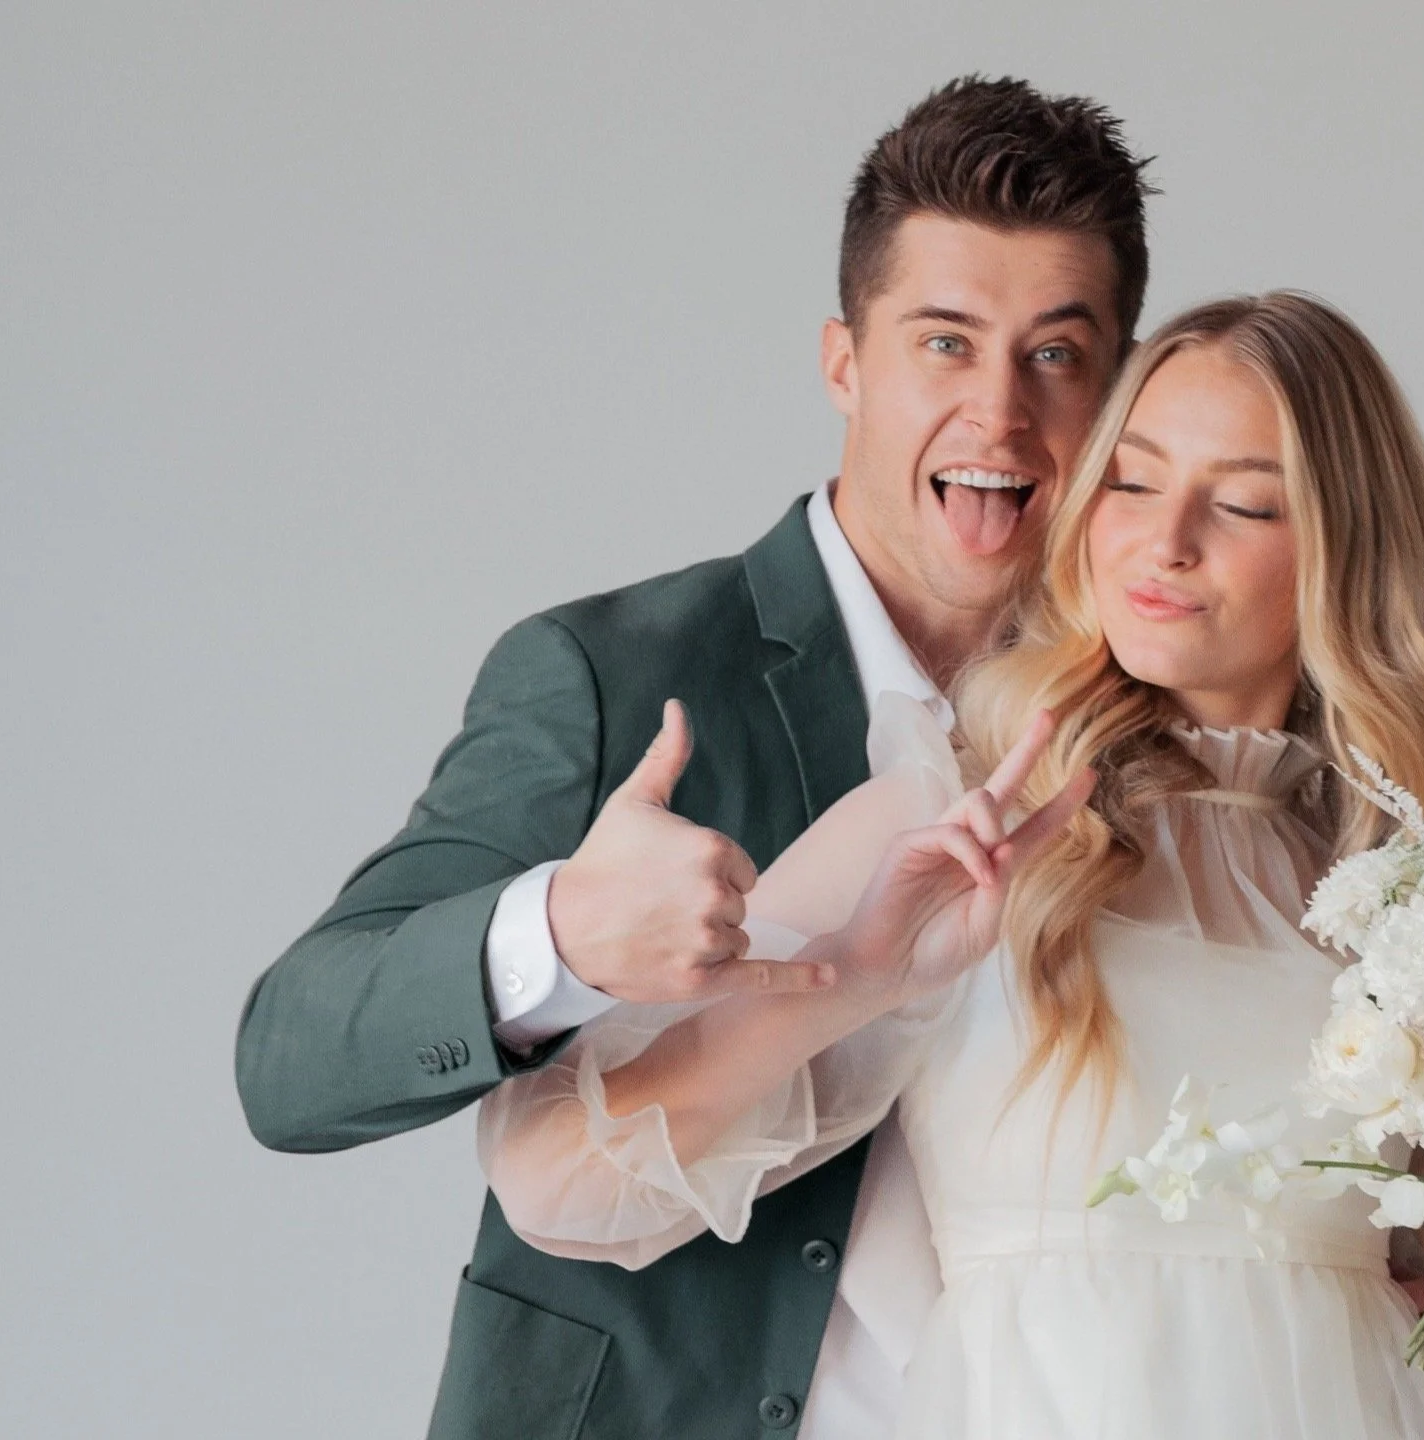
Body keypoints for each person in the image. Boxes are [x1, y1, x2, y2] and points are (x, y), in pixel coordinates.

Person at [234, 77, 1154, 1439]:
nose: (1002, 417)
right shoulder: (615, 670)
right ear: (845, 361)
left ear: (1121, 388)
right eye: (945, 345)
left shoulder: (1158, 733)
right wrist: (556, 936)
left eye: (1056, 356)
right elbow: (289, 1062)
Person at [476, 292, 1424, 1438]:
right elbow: (559, 1185)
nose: (1165, 540)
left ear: (1349, 551)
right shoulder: (953, 805)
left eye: (1242, 504)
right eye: (1132, 482)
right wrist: (856, 974)